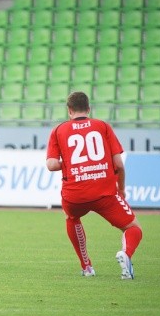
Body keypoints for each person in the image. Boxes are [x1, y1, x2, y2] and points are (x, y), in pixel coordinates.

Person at [45, 91, 143, 279]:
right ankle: (126, 255)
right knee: (133, 227)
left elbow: (51, 165)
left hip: (75, 195)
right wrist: (121, 190)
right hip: (104, 192)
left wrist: (70, 163)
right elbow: (119, 165)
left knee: (71, 218)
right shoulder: (102, 126)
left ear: (69, 110)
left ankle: (87, 267)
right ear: (88, 109)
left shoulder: (59, 130)